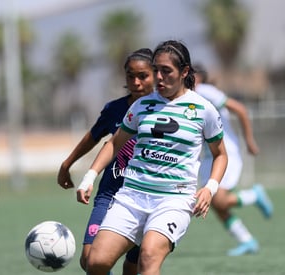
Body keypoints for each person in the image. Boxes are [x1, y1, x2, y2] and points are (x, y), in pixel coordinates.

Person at [76, 40, 228, 275]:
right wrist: (90, 176)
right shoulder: (141, 105)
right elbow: (114, 143)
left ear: (184, 72)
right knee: (95, 262)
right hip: (132, 197)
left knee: (148, 257)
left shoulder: (203, 109)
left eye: (166, 71)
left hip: (173, 200)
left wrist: (210, 187)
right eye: (156, 70)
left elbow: (220, 155)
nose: (159, 77)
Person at [57, 48, 155, 275]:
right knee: (89, 259)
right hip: (109, 194)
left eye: (143, 76)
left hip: (145, 197)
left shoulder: (165, 109)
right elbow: (93, 137)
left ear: (155, 75)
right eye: (131, 76)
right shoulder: (115, 109)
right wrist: (67, 164)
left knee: (133, 266)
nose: (136, 82)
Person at [193, 63, 274, 256]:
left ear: (199, 78)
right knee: (212, 202)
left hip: (224, 151)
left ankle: (254, 195)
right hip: (207, 156)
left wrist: (249, 140)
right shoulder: (185, 97)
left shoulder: (204, 91)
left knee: (219, 200)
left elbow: (241, 109)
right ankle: (247, 241)